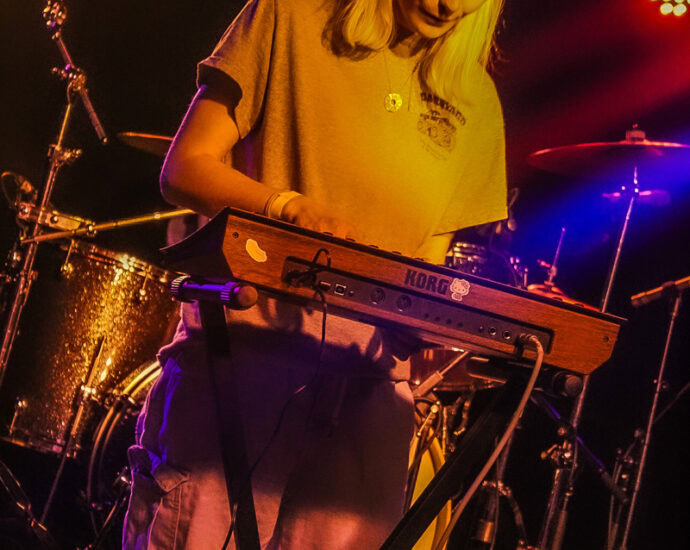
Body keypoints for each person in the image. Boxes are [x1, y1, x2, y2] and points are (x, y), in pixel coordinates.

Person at [123, 0, 507, 548]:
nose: (451, 5)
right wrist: (284, 207)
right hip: (241, 375)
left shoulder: (476, 100)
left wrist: (429, 329)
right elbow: (183, 168)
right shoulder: (290, 15)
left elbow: (424, 269)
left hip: (369, 407)